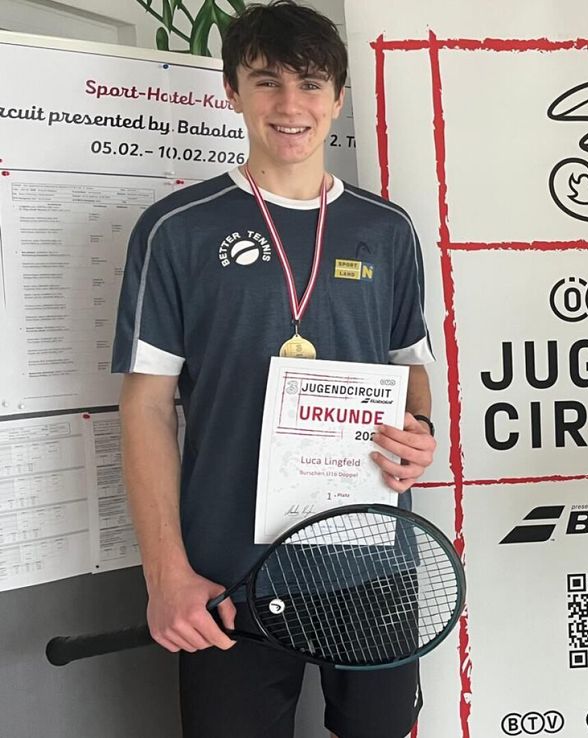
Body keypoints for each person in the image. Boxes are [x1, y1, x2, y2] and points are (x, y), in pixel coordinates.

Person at [111, 3, 436, 736]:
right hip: (226, 577)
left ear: (338, 99)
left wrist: (421, 430)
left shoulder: (387, 229)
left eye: (312, 84)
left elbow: (408, 368)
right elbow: (146, 408)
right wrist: (167, 575)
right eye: (267, 82)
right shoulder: (177, 230)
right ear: (231, 92)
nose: (291, 106)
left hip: (370, 563)